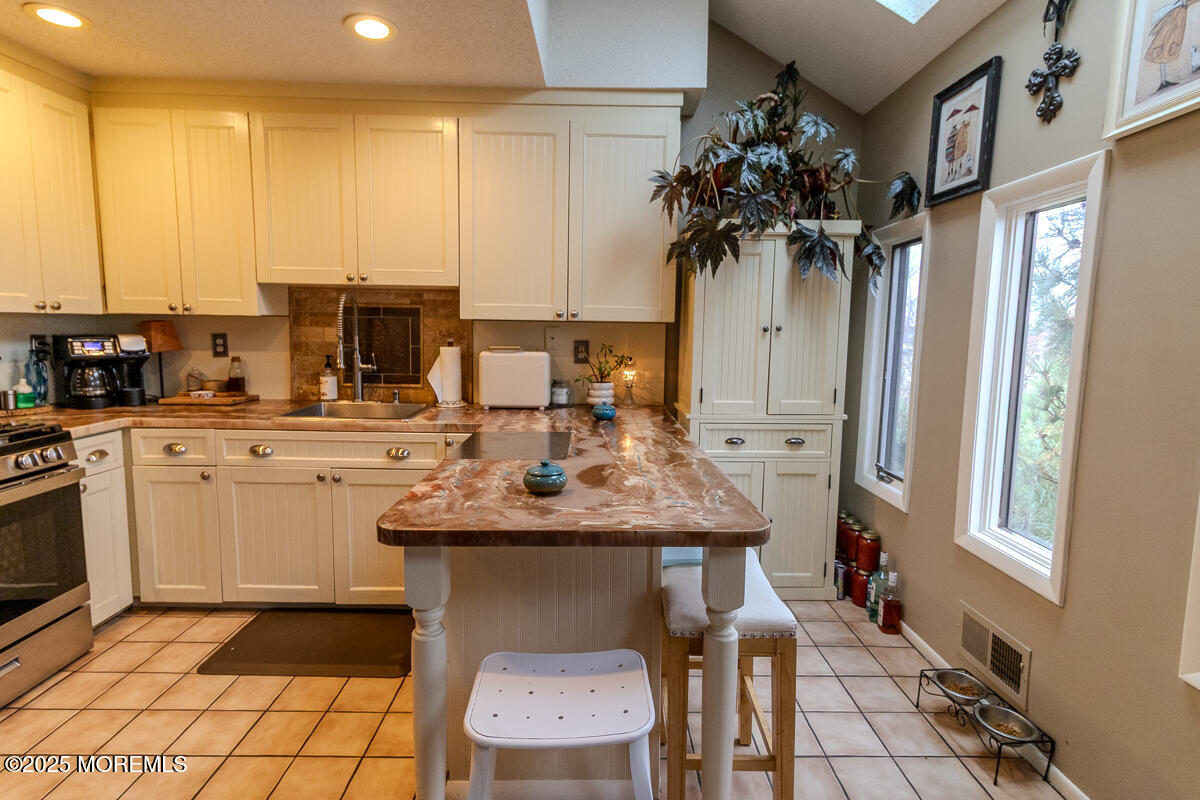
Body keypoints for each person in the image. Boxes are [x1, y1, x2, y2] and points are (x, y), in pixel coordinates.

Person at [1146, 0, 1198, 92]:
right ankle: (1163, 81)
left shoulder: (1180, 6)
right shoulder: (1176, 7)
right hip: (1170, 26)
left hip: (1174, 24)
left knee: (1165, 51)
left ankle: (1164, 81)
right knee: (1163, 51)